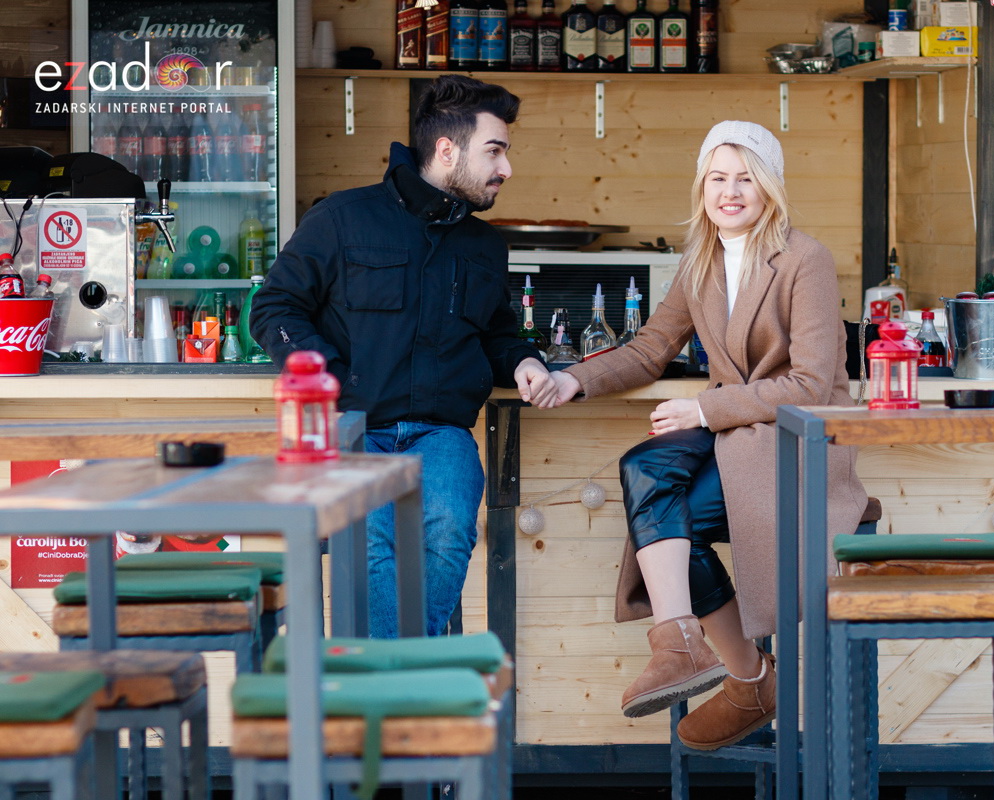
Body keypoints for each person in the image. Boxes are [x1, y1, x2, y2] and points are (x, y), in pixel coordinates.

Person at [546, 120, 868, 750]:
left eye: (746, 178)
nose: (730, 192)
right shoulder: (701, 261)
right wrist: (571, 380)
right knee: (644, 467)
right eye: (718, 178)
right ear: (702, 187)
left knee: (677, 520)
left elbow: (809, 384)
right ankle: (684, 646)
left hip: (795, 438)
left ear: (770, 187)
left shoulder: (805, 259)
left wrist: (701, 409)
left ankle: (746, 680)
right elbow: (650, 350)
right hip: (734, 433)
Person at [250, 74, 559, 638]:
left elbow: (497, 333)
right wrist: (330, 380)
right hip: (354, 429)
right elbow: (274, 307)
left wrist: (524, 361)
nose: (506, 168)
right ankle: (402, 677)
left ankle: (394, 668)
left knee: (448, 532)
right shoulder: (342, 218)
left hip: (442, 435)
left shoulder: (486, 246)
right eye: (494, 151)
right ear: (447, 149)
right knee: (369, 542)